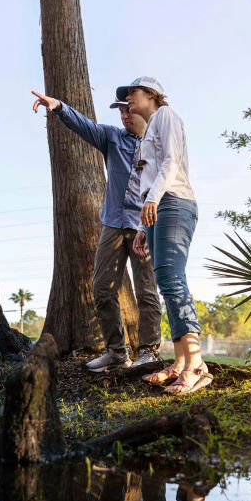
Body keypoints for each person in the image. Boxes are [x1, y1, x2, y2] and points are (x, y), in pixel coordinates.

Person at [31, 90, 162, 372]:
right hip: (113, 224)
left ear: (143, 111)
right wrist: (59, 107)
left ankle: (149, 351)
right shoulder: (112, 137)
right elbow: (84, 125)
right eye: (121, 112)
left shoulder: (157, 145)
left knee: (147, 291)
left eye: (129, 110)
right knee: (102, 289)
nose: (124, 115)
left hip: (144, 225)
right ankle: (116, 352)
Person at [121, 77, 211, 395]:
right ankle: (179, 362)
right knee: (165, 283)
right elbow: (150, 177)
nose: (128, 99)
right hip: (158, 207)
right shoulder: (148, 132)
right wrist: (144, 228)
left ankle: (197, 365)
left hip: (173, 201)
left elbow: (171, 162)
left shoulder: (166, 116)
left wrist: (154, 200)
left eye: (132, 92)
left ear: (151, 94)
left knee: (173, 280)